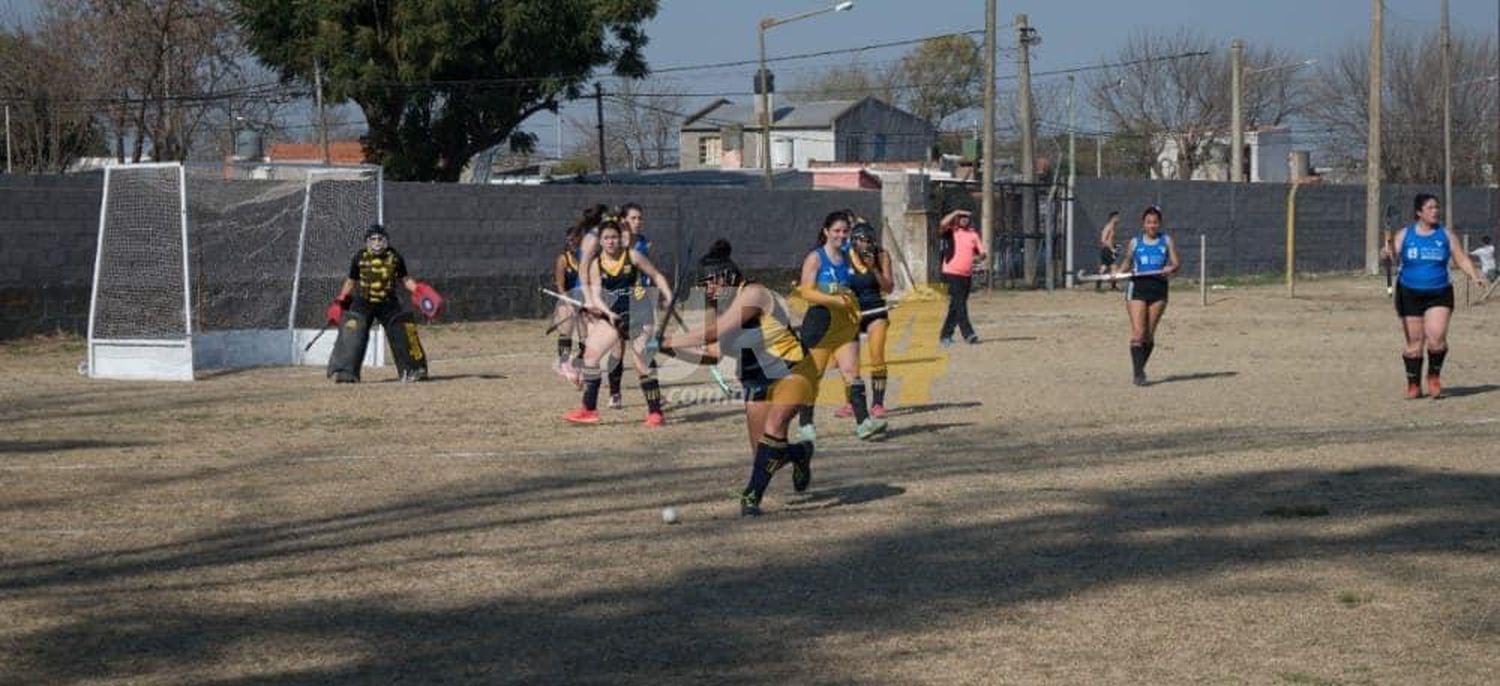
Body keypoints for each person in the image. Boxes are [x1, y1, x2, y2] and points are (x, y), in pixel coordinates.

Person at [660, 240, 826, 516]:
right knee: (764, 453)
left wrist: (670, 339)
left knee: (774, 427)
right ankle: (799, 453)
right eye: (703, 285)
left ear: (726, 275)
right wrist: (669, 350)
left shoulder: (754, 294)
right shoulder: (716, 304)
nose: (707, 290)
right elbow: (713, 353)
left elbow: (712, 334)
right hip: (755, 379)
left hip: (793, 369)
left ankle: (751, 498)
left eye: (709, 282)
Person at [562, 220, 674, 426]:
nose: (611, 241)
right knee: (590, 356)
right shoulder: (597, 264)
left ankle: (655, 412)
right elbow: (595, 295)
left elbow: (656, 275)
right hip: (613, 315)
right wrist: (607, 312)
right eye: (606, 238)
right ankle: (589, 409)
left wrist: (667, 294)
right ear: (600, 242)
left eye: (614, 237)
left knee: (641, 359)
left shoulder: (632, 256)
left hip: (640, 314)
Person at [1381, 194, 1489, 399]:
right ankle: (1413, 384)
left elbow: (1461, 258)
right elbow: (1391, 254)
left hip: (1439, 292)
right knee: (1415, 343)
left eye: (1437, 207)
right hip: (1409, 292)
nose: (1435, 211)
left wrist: (1475, 276)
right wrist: (1386, 253)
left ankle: (1433, 377)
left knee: (1436, 338)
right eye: (1430, 208)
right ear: (1419, 212)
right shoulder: (1405, 234)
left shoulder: (1445, 235)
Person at [795, 211, 888, 442]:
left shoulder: (849, 256)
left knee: (851, 372)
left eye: (845, 231)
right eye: (836, 231)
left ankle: (864, 423)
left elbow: (868, 244)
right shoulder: (815, 258)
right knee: (813, 376)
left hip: (844, 325)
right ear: (826, 231)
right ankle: (805, 425)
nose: (841, 235)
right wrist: (833, 299)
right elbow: (806, 292)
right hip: (819, 324)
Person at [326, 223, 443, 383]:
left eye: (380, 239)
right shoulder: (359, 258)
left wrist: (419, 292)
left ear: (386, 240)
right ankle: (346, 372)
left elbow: (405, 279)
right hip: (364, 301)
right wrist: (340, 299)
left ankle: (414, 370)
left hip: (388, 301)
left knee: (403, 329)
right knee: (353, 331)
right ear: (367, 241)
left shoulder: (395, 257)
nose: (377, 242)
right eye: (373, 239)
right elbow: (350, 282)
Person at [1112, 206, 1180, 387]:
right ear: (1143, 224)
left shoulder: (1166, 241)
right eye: (1149, 222)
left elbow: (1176, 263)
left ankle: (1140, 367)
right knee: (1139, 332)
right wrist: (1118, 272)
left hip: (1158, 289)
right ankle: (1138, 374)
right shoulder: (1135, 242)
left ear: (1159, 224)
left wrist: (1170, 268)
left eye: (1155, 222)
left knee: (1148, 334)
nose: (1152, 225)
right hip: (1138, 288)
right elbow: (1127, 260)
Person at [846, 220, 896, 418]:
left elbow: (889, 287)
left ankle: (877, 403)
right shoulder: (844, 257)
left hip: (876, 311)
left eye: (869, 242)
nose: (866, 246)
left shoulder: (881, 255)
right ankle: (852, 402)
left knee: (876, 355)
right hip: (852, 313)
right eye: (861, 242)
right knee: (851, 361)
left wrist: (873, 269)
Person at [938, 209, 986, 346]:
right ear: (957, 219)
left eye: (966, 217)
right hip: (951, 273)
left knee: (955, 306)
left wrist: (978, 258)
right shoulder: (951, 231)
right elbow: (942, 224)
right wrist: (955, 212)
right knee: (960, 304)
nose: (964, 219)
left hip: (966, 275)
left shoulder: (973, 235)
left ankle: (945, 335)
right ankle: (969, 334)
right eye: (961, 217)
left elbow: (982, 253)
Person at [551, 228, 583, 376]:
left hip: (584, 300)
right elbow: (560, 285)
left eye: (574, 239)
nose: (572, 242)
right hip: (567, 299)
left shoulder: (586, 258)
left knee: (587, 336)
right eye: (569, 240)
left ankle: (579, 362)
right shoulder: (563, 259)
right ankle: (563, 362)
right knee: (566, 331)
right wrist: (569, 303)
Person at [1097, 211, 1121, 291]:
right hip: (1107, 250)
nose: (1118, 218)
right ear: (1112, 218)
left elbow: (1109, 240)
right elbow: (1103, 240)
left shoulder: (1112, 227)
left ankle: (1100, 285)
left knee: (1105, 267)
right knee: (1113, 267)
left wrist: (1115, 245)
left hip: (1108, 249)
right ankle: (1112, 286)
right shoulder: (1108, 227)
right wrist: (1111, 249)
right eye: (1117, 217)